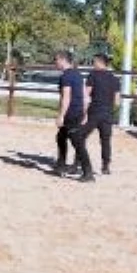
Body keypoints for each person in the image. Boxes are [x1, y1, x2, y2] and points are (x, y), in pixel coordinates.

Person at [54, 50, 94, 182]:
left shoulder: (65, 77)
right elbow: (85, 97)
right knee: (61, 136)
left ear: (62, 60)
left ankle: (88, 173)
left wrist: (61, 116)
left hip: (71, 113)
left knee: (78, 143)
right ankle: (61, 165)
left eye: (56, 60)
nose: (55, 62)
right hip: (78, 112)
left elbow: (66, 97)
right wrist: (85, 113)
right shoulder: (78, 74)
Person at [81, 53, 120, 175]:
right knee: (105, 141)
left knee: (80, 137)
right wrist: (110, 111)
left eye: (94, 62)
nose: (93, 64)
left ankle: (78, 162)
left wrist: (83, 112)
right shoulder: (114, 79)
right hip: (107, 114)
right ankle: (105, 166)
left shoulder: (93, 75)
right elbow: (117, 101)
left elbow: (86, 95)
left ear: (99, 62)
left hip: (94, 112)